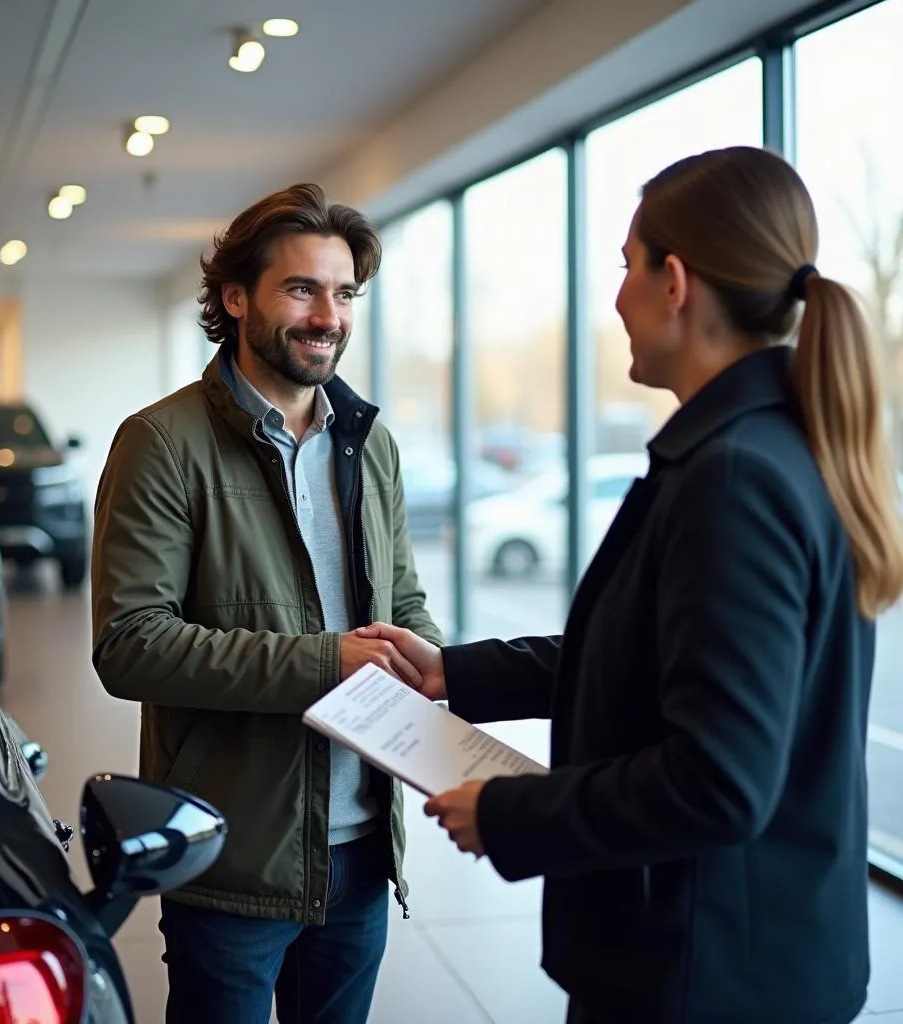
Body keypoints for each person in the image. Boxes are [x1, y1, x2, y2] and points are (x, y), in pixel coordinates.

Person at [357, 145, 903, 1024]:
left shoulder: (733, 476)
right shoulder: (775, 449)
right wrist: (456, 673)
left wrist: (510, 812)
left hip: (706, 974)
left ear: (674, 281)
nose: (615, 299)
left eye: (625, 267)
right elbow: (652, 651)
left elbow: (717, 780)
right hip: (752, 957)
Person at [91, 182, 442, 1024]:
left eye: (345, 292)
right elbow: (130, 644)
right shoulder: (162, 443)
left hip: (360, 847)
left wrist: (439, 686)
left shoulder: (370, 442)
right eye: (302, 289)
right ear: (235, 297)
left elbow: (406, 602)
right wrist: (327, 662)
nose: (329, 315)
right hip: (233, 856)